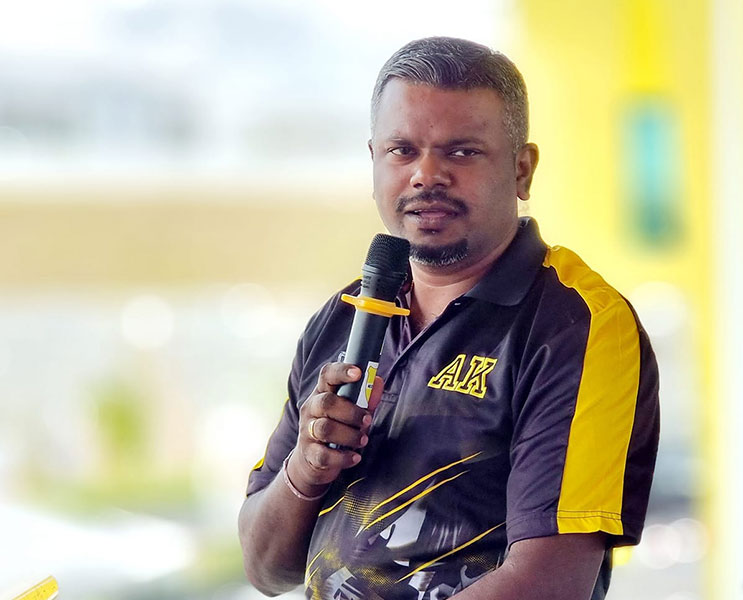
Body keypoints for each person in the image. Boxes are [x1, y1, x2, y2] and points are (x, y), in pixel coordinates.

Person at [238, 37, 660, 600]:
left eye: (461, 152)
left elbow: (549, 585)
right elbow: (265, 570)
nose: (426, 175)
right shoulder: (339, 319)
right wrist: (306, 470)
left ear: (522, 170)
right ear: (374, 162)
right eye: (402, 150)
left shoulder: (577, 325)